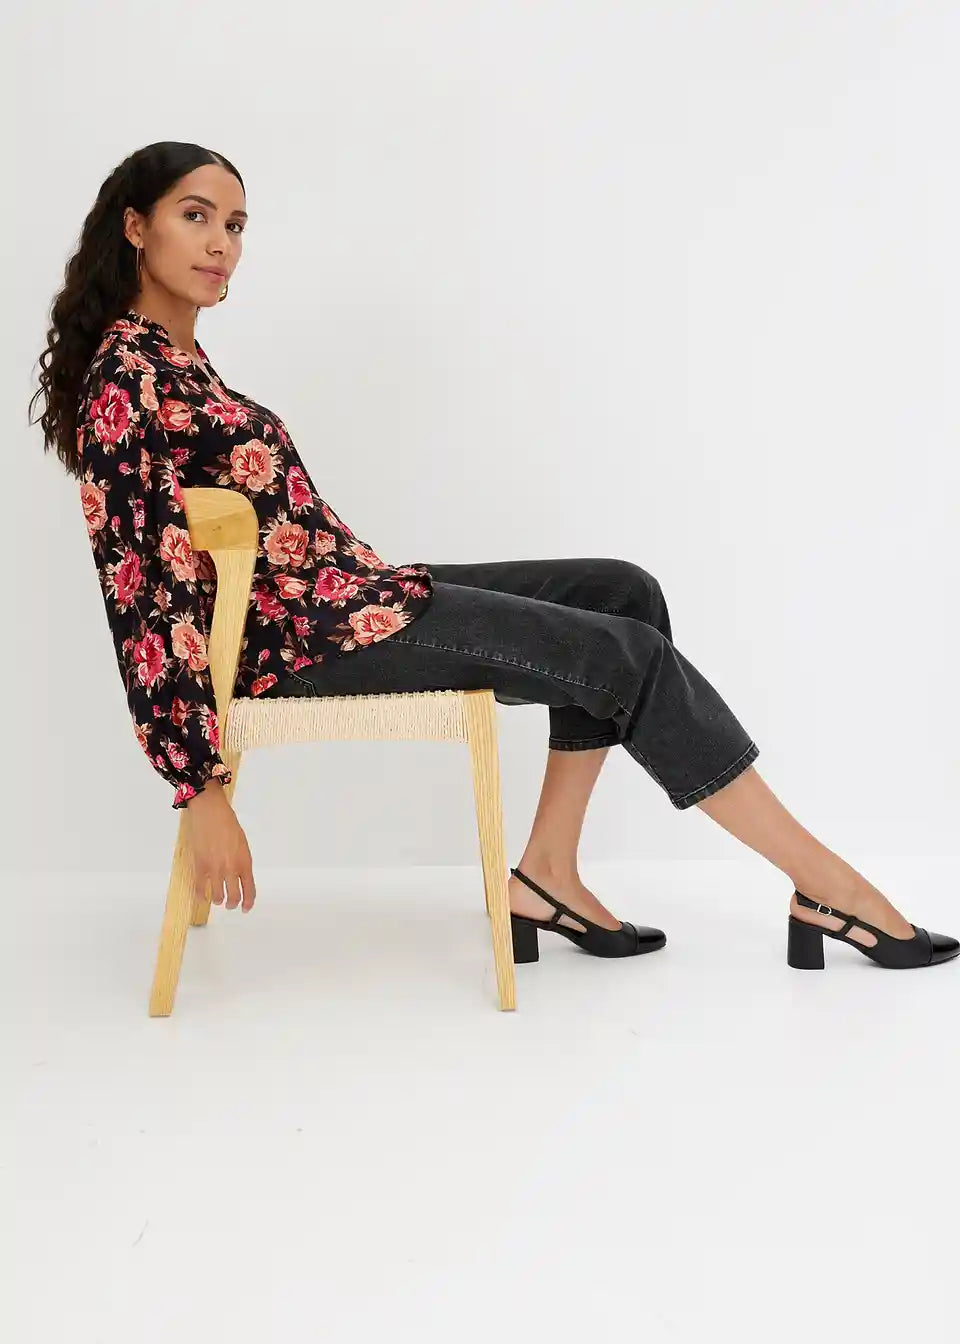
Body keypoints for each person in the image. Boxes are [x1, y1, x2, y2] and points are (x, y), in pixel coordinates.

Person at [30, 141, 957, 973]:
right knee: (627, 657)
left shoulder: (176, 361)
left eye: (235, 224)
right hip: (306, 641)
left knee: (621, 593)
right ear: (136, 227)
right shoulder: (126, 380)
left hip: (347, 598)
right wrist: (199, 787)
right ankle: (825, 883)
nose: (221, 243)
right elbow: (141, 595)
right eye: (196, 216)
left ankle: (547, 874)